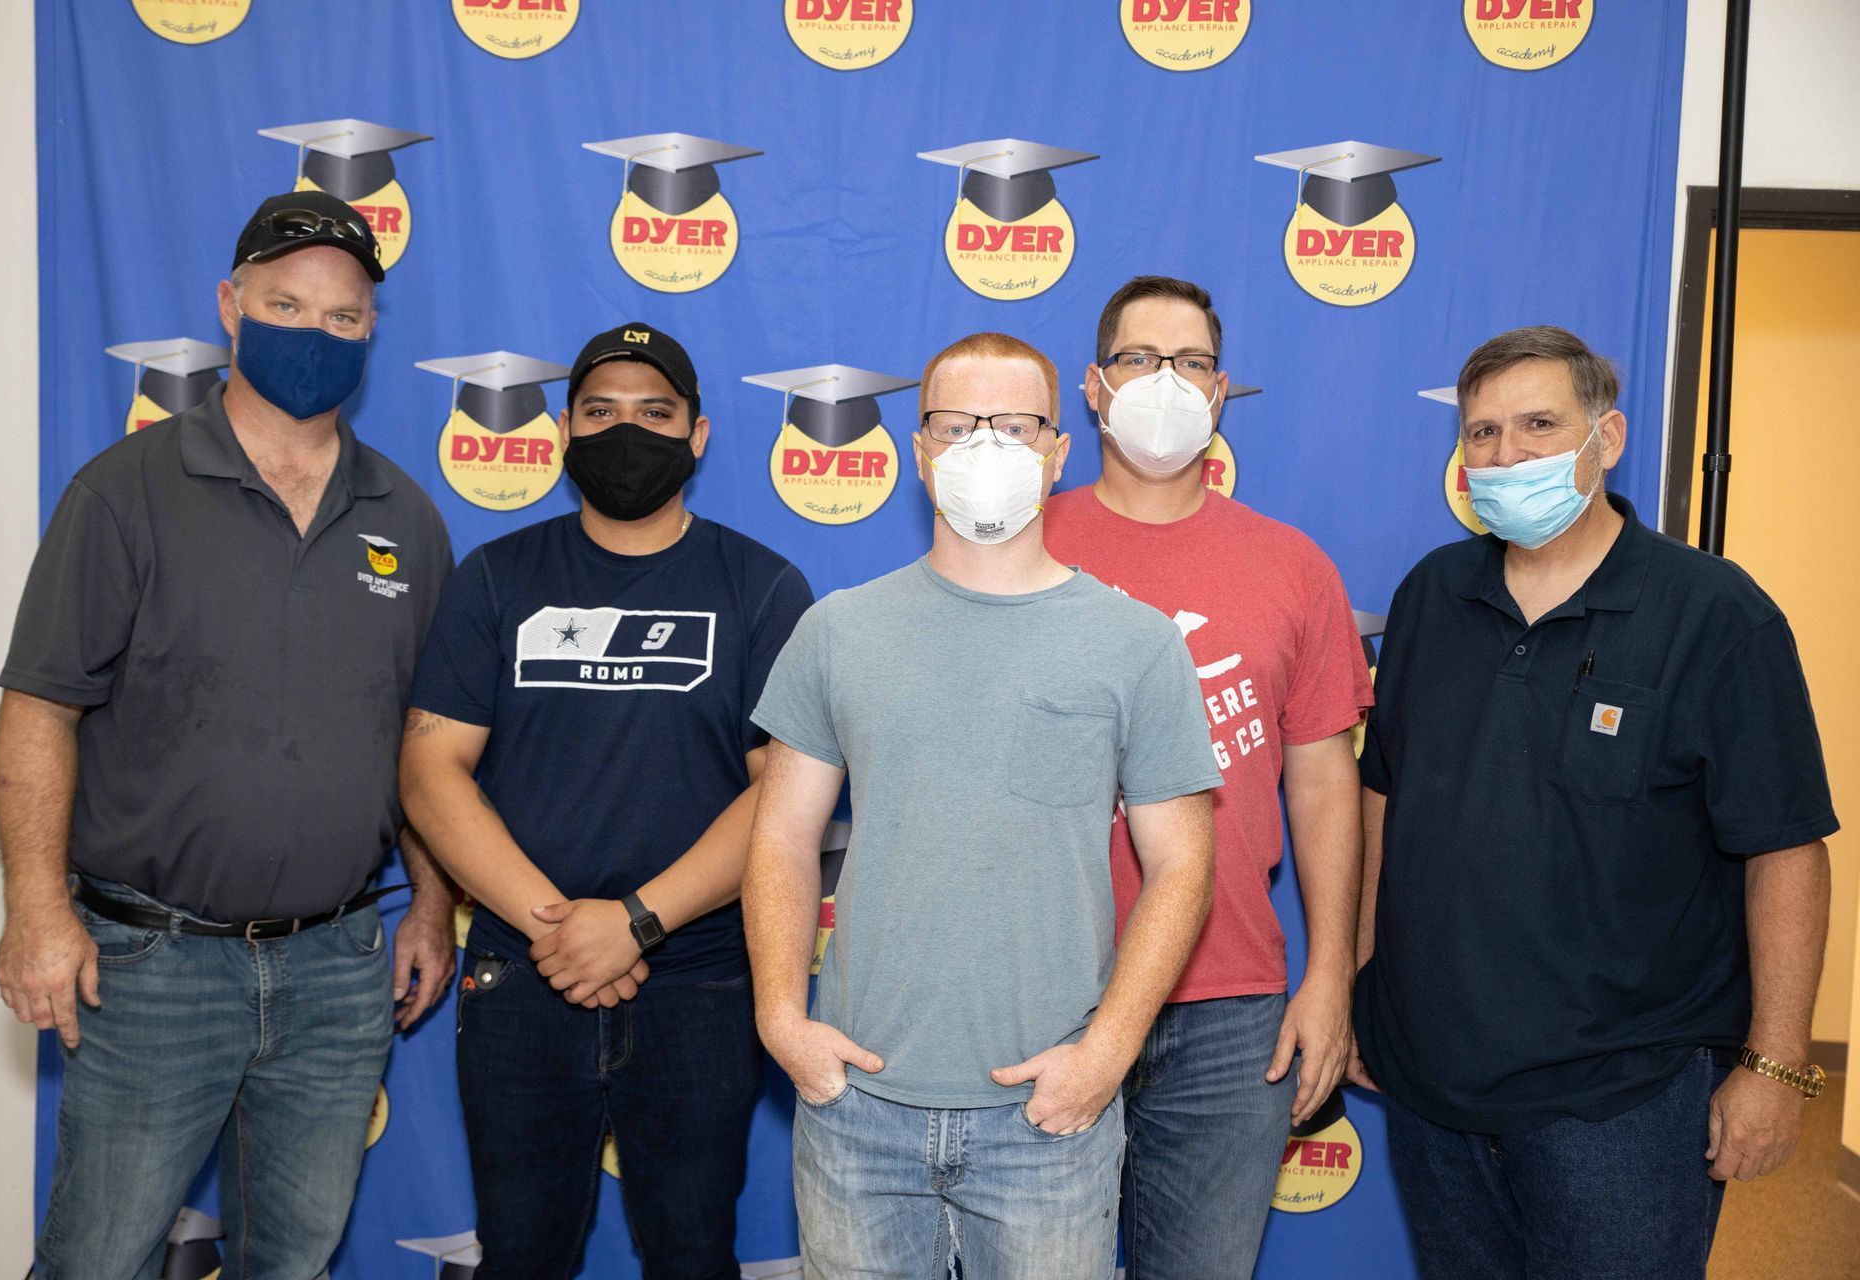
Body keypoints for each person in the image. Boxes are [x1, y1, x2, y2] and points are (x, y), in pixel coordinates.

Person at [0, 191, 459, 1280]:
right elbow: (38, 709)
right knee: (95, 1257)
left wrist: (433, 905)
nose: (315, 331)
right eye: (285, 303)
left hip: (341, 966)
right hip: (151, 963)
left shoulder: (408, 515)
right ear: (230, 306)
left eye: (344, 317)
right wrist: (34, 907)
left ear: (372, 332)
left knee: (292, 1260)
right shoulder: (124, 492)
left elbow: (424, 746)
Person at [1354, 325, 1838, 1279]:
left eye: (1539, 425)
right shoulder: (1431, 597)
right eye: (1482, 433)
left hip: (1626, 1100)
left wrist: (1775, 1065)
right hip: (1434, 1083)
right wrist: (1370, 989)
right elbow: (1385, 800)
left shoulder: (1715, 613)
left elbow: (1785, 846)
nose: (1506, 455)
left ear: (1606, 439)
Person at [744, 331, 1222, 1280]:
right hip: (857, 1109)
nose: (987, 446)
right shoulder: (838, 629)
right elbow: (783, 839)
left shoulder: (1137, 644)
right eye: (959, 424)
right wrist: (779, 1019)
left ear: (1058, 450)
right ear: (918, 450)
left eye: (1015, 424)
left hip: (1048, 1119)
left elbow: (1183, 866)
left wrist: (1107, 1052)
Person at [399, 322, 813, 1280]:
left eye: (655, 413)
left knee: (693, 1253)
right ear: (564, 431)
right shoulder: (497, 577)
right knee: (521, 1256)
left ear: (698, 435)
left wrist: (634, 922)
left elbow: (784, 792)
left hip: (700, 981)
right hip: (522, 971)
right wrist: (561, 927)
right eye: (602, 412)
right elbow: (429, 770)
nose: (628, 431)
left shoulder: (760, 587)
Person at [1043, 275, 1374, 1278]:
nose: (1165, 381)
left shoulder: (1293, 565)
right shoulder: (1020, 547)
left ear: (1220, 392)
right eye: (1140, 359)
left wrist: (1329, 973)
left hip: (1231, 1007)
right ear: (1095, 389)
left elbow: (1323, 785)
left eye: (1189, 362)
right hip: (1040, 986)